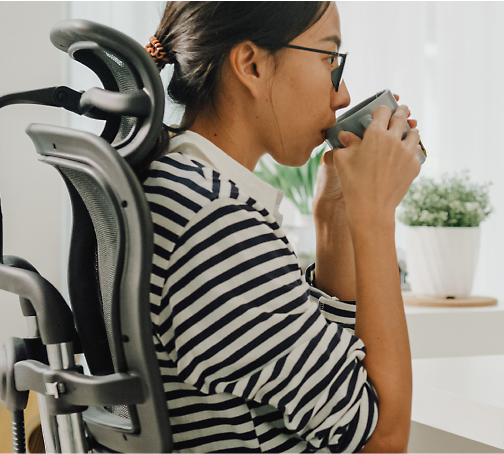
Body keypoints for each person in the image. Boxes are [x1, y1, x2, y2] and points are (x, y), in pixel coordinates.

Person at [143, 2, 419, 452]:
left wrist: (336, 222)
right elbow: (380, 441)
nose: (343, 94)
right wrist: (375, 217)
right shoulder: (217, 226)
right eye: (329, 59)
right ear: (251, 65)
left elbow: (330, 388)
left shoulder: (174, 186)